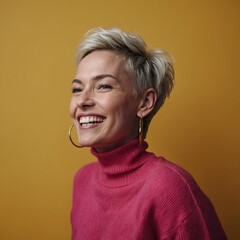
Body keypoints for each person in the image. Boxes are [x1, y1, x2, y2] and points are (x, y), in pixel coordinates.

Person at [69, 27, 227, 240]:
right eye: (77, 89)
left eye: (103, 86)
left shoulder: (170, 189)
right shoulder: (82, 180)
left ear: (144, 102)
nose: (82, 100)